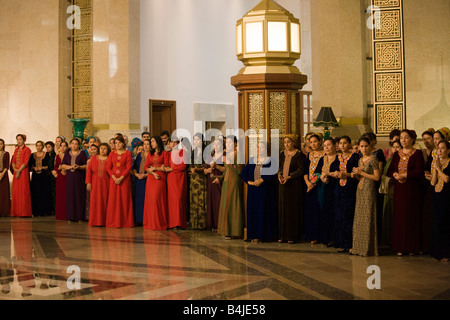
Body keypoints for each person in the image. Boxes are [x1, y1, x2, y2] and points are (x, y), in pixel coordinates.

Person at [387, 130, 425, 256]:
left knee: (411, 217)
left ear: (413, 139)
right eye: (401, 138)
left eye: (406, 138)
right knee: (399, 217)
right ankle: (400, 247)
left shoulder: (417, 153)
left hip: (412, 190)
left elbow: (419, 171)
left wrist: (405, 174)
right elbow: (390, 170)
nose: (403, 140)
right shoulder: (397, 154)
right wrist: (395, 174)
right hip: (399, 190)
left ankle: (411, 247)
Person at [241, 141, 278, 243]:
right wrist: (249, 181)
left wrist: (262, 180)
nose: (259, 149)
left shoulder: (271, 160)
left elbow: (273, 173)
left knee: (263, 212)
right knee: (253, 212)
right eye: (258, 147)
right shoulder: (252, 160)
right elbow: (243, 173)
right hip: (253, 190)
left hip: (265, 190)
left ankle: (263, 235)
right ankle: (252, 235)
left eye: (261, 147)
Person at [350, 136, 381, 257]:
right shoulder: (360, 160)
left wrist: (361, 173)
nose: (363, 148)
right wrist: (356, 174)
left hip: (369, 190)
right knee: (359, 218)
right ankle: (358, 247)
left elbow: (376, 177)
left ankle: (368, 248)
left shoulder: (373, 159)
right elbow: (361, 176)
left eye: (366, 146)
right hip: (360, 189)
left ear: (370, 146)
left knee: (368, 218)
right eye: (361, 146)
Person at [276, 135, 304, 244]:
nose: (286, 144)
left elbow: (301, 170)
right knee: (282, 209)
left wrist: (289, 177)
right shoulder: (282, 154)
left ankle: (292, 236)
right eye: (285, 142)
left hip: (294, 185)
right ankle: (282, 235)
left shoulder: (298, 154)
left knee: (291, 210)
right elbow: (279, 167)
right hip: (282, 184)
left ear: (293, 142)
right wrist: (279, 175)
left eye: (288, 142)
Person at [333, 136, 359, 253]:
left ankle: (351, 244)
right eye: (340, 143)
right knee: (340, 215)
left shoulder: (354, 156)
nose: (342, 145)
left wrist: (346, 175)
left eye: (345, 143)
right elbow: (333, 170)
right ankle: (342, 243)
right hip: (339, 188)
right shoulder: (337, 157)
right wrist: (336, 174)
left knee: (349, 215)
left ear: (349, 144)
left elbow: (356, 173)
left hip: (350, 188)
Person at [217, 136, 245, 240]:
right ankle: (225, 231)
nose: (227, 144)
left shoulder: (239, 154)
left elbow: (239, 170)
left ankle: (234, 231)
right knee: (225, 204)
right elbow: (226, 170)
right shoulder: (227, 154)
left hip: (234, 181)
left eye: (230, 142)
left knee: (232, 204)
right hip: (226, 181)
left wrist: (229, 162)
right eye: (226, 143)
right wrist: (216, 168)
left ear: (235, 144)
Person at [105, 136, 134, 228]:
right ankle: (113, 222)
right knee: (113, 200)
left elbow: (128, 167)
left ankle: (125, 222)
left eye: (119, 143)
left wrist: (121, 178)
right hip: (113, 180)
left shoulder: (127, 154)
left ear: (123, 143)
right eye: (116, 143)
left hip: (124, 180)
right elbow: (108, 167)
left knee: (124, 200)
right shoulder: (112, 154)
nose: (117, 144)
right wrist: (114, 177)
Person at [318, 137, 340, 246]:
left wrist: (328, 175)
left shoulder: (339, 158)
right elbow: (316, 173)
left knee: (335, 212)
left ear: (335, 146)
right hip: (324, 189)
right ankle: (326, 237)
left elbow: (340, 172)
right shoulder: (323, 159)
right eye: (324, 145)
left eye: (328, 145)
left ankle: (335, 238)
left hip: (336, 188)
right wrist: (321, 177)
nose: (326, 147)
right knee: (325, 212)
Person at [430, 140, 450, 262]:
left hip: (447, 196)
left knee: (446, 224)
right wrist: (435, 168)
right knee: (437, 223)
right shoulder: (436, 162)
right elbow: (433, 182)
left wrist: (438, 168)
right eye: (439, 148)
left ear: (448, 150)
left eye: (443, 148)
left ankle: (446, 253)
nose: (440, 151)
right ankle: (437, 252)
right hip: (437, 195)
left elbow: (447, 179)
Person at [143, 136, 169, 230]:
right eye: (151, 142)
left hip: (160, 178)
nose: (151, 143)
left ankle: (159, 223)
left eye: (153, 141)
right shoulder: (150, 154)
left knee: (157, 200)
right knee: (150, 201)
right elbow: (146, 167)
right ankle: (150, 223)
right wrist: (153, 172)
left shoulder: (165, 153)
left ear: (157, 142)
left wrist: (155, 168)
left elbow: (165, 166)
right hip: (151, 178)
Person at [380, 139, 402, 247]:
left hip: (397, 189)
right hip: (387, 190)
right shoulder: (390, 159)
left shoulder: (401, 159)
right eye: (394, 147)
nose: (395, 149)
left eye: (398, 147)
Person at [303, 133, 325, 244]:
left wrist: (313, 183)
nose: (313, 144)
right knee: (310, 210)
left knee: (319, 210)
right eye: (311, 142)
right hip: (309, 186)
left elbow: (321, 170)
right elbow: (305, 170)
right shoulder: (309, 155)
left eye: (315, 141)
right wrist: (308, 182)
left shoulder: (324, 154)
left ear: (320, 142)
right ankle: (310, 235)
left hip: (320, 185)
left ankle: (319, 235)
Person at [61, 138, 88, 223]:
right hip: (69, 178)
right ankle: (70, 216)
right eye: (72, 143)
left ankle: (80, 217)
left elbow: (86, 165)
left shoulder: (82, 153)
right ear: (70, 145)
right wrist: (70, 167)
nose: (74, 145)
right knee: (70, 196)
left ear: (79, 145)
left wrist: (79, 167)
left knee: (79, 196)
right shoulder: (67, 154)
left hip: (79, 177)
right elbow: (63, 165)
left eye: (76, 144)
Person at [86, 143, 111, 227]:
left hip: (107, 184)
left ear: (108, 150)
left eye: (105, 148)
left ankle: (105, 221)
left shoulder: (110, 159)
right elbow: (89, 171)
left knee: (105, 202)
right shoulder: (93, 158)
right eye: (101, 148)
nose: (102, 150)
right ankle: (95, 221)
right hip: (95, 184)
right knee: (95, 202)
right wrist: (88, 182)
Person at [165, 138, 188, 230]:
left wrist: (172, 169)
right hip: (171, 178)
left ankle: (179, 222)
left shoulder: (182, 152)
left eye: (175, 142)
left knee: (178, 199)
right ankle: (172, 223)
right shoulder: (168, 154)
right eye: (171, 142)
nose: (173, 144)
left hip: (180, 178)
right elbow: (166, 165)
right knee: (172, 201)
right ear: (168, 144)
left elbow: (183, 165)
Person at [204, 137, 225, 232]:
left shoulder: (225, 155)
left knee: (219, 201)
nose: (216, 146)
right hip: (211, 180)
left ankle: (219, 223)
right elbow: (205, 169)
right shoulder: (211, 155)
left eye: (218, 144)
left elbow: (226, 169)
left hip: (220, 180)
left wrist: (216, 166)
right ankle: (212, 223)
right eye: (215, 144)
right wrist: (208, 170)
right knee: (212, 200)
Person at [421, 128, 436, 254]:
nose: (426, 141)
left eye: (429, 138)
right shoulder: (423, 152)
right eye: (424, 139)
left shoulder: (438, 152)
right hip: (424, 184)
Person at [188, 133, 207, 230]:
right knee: (194, 199)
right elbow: (189, 165)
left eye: (198, 139)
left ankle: (202, 223)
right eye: (194, 140)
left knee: (201, 200)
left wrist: (197, 169)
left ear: (202, 141)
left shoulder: (206, 152)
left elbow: (207, 166)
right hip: (193, 179)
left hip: (201, 179)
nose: (196, 142)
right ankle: (194, 223)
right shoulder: (193, 151)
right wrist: (190, 169)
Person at [10, 134, 32, 218]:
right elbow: (13, 161)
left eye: (20, 139)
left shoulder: (27, 149)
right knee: (15, 191)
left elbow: (25, 162)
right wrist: (15, 170)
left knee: (23, 191)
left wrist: (19, 170)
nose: (18, 141)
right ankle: (16, 212)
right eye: (17, 139)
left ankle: (24, 213)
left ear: (24, 140)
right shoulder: (16, 150)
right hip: (16, 172)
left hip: (23, 172)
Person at [29, 141, 52, 217]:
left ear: (42, 146)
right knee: (35, 192)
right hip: (35, 176)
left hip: (44, 176)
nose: (38, 147)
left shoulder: (46, 155)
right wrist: (34, 168)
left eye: (40, 145)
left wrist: (41, 168)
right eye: (37, 145)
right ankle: (36, 211)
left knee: (44, 192)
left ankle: (44, 211)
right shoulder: (33, 155)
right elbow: (30, 166)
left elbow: (48, 166)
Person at [132, 139, 150, 226]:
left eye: (148, 144)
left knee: (147, 199)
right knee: (139, 199)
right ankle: (139, 219)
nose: (146, 146)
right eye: (144, 144)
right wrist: (136, 174)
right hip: (139, 179)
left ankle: (147, 219)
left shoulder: (152, 155)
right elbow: (134, 166)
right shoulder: (139, 155)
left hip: (148, 179)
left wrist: (145, 175)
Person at [53, 141, 68, 221]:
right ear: (59, 148)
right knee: (60, 195)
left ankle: (67, 214)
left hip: (67, 176)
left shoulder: (69, 155)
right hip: (60, 177)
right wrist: (57, 169)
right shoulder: (57, 156)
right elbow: (55, 167)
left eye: (64, 146)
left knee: (67, 195)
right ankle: (60, 215)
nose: (63, 148)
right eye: (61, 146)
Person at [45, 141, 57, 215]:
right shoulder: (46, 155)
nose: (47, 148)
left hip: (53, 175)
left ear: (53, 147)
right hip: (47, 175)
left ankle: (54, 209)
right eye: (46, 147)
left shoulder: (54, 155)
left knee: (53, 192)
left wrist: (53, 171)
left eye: (49, 147)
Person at [0, 139, 11, 217]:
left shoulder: (6, 153)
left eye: (1, 144)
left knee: (4, 193)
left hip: (4, 175)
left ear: (3, 145)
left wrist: (1, 174)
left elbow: (7, 165)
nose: (0, 145)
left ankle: (4, 212)